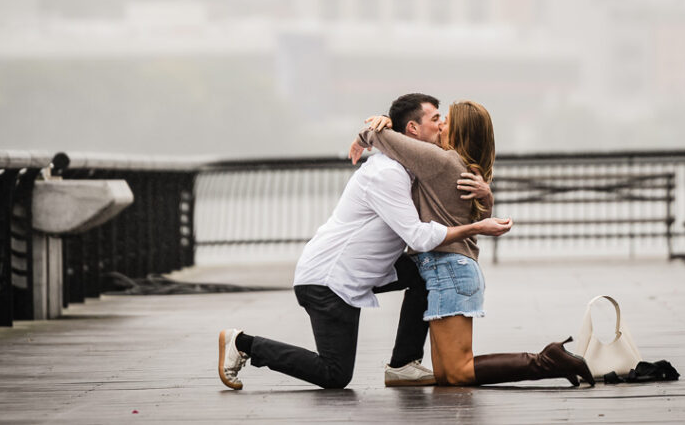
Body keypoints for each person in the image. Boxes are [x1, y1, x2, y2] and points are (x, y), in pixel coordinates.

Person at [218, 93, 512, 390]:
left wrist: (485, 197)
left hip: (363, 271)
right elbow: (418, 237)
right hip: (329, 279)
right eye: (436, 119)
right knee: (335, 374)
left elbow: (450, 213)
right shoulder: (388, 174)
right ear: (412, 129)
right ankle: (243, 344)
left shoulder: (416, 170)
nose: (441, 126)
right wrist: (479, 226)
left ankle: (403, 365)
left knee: (427, 274)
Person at [350, 100, 595, 388]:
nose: (441, 124)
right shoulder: (466, 168)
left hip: (449, 270)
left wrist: (369, 131)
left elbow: (381, 137)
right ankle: (548, 360)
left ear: (461, 130)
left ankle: (547, 360)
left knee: (459, 371)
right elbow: (478, 215)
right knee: (446, 375)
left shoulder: (439, 161)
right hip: (448, 268)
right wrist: (488, 199)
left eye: (447, 120)